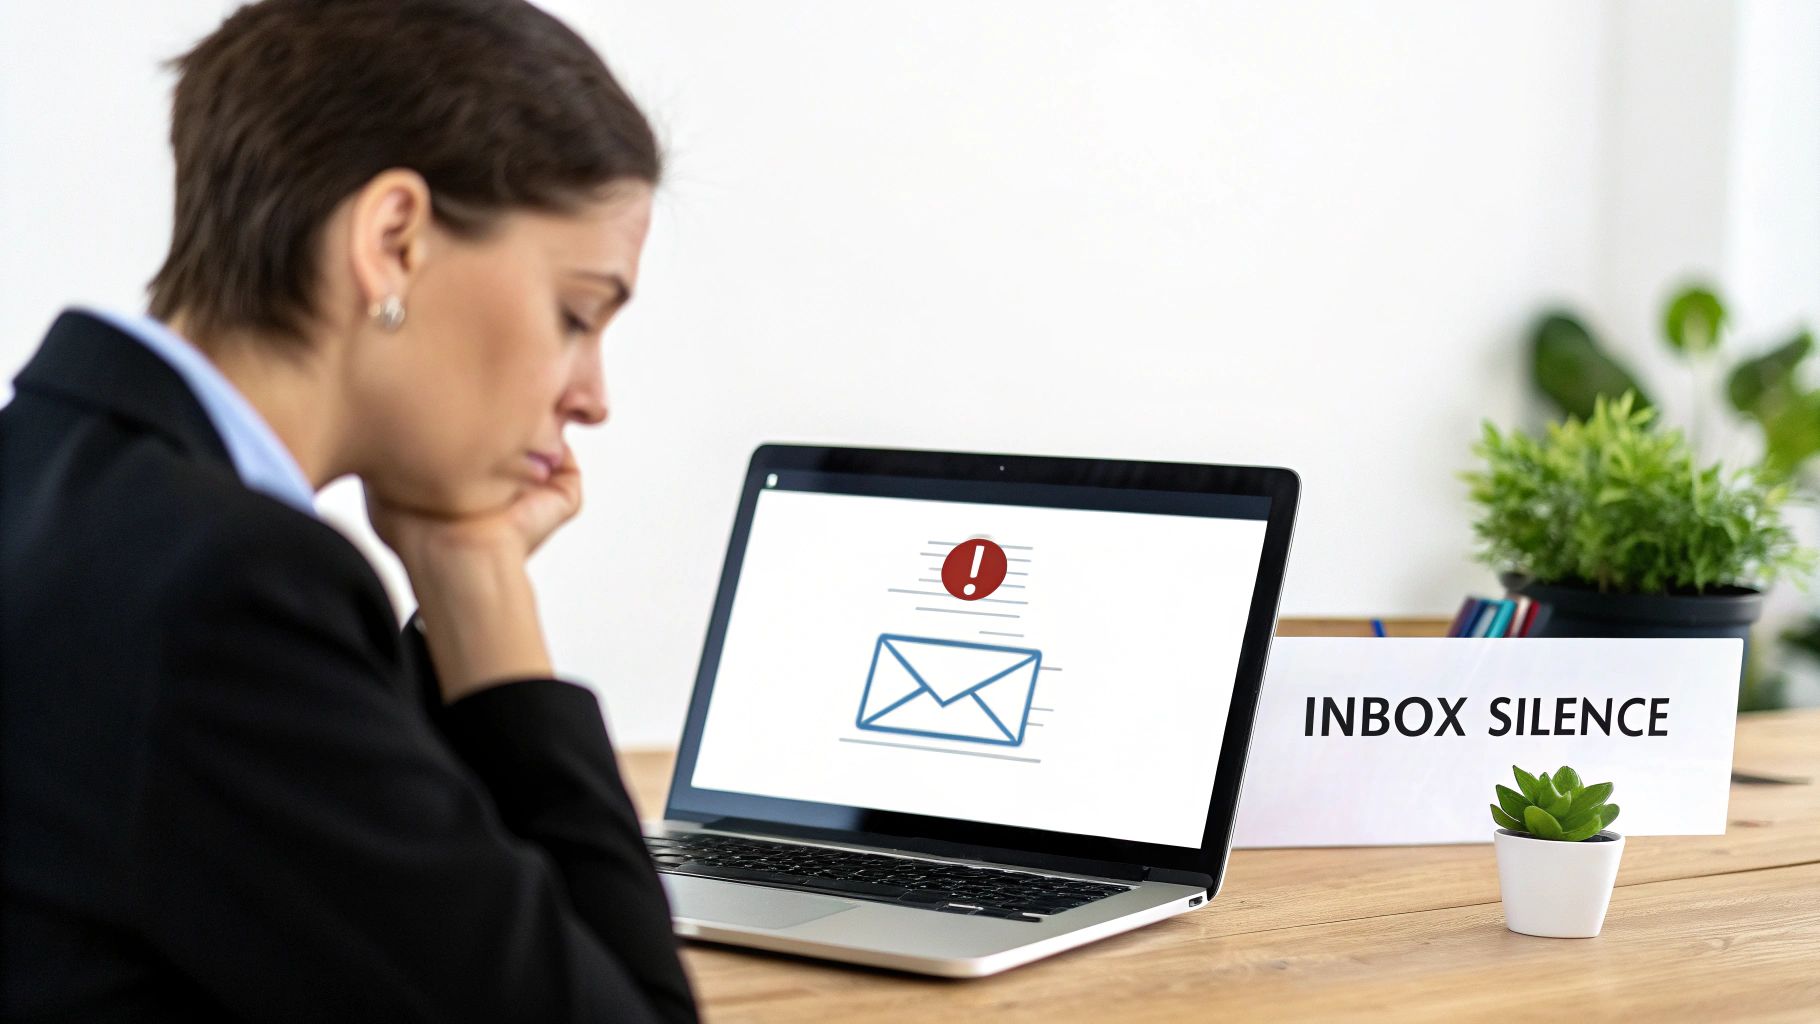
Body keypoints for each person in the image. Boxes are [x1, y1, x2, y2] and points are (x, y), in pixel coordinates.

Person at [0, 1, 697, 1020]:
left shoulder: (49, 474)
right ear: (394, 240)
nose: (591, 395)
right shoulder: (226, 594)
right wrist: (482, 586)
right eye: (577, 313)